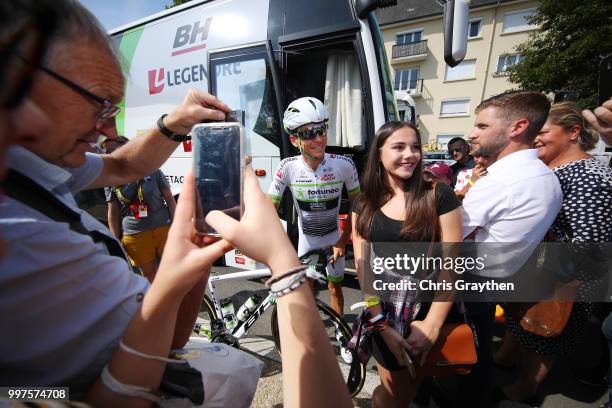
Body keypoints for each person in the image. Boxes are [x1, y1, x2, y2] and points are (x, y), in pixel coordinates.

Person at [0, 2, 355, 407]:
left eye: (114, 109)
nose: (107, 130)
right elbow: (160, 350)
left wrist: (173, 124)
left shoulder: (37, 162)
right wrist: (280, 260)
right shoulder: (27, 236)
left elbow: (121, 165)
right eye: (99, 103)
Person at [494, 101, 612, 402]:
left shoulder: (587, 176)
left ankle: (526, 388)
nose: (534, 138)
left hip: (564, 278)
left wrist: (549, 273)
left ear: (573, 132)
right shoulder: (553, 169)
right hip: (539, 268)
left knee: (542, 333)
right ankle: (508, 361)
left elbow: (590, 241)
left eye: (543, 131)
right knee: (524, 326)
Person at [459, 91, 563, 407]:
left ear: (517, 127)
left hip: (469, 281)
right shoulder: (547, 176)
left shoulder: (500, 182)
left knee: (462, 357)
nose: (471, 134)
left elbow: (446, 234)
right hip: (498, 279)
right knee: (478, 351)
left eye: (481, 125)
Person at [351, 121, 462, 407]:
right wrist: (381, 324)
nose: (410, 154)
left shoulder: (438, 195)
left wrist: (433, 325)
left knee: (413, 388)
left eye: (415, 147)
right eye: (399, 147)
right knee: (396, 395)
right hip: (384, 313)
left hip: (430, 309)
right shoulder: (363, 204)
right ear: (378, 154)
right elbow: (366, 272)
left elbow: (453, 263)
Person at [268, 96, 361, 316]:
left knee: (335, 288)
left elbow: (359, 207)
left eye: (322, 130)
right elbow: (269, 208)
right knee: (307, 291)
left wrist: (342, 241)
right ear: (294, 140)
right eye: (309, 133)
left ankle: (340, 329)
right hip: (306, 243)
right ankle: (311, 331)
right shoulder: (287, 167)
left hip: (334, 239)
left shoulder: (344, 164)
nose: (319, 138)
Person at [104, 136, 177, 282]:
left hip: (164, 228)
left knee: (172, 270)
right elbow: (113, 212)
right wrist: (115, 239)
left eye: (116, 149)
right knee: (149, 276)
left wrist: (177, 226)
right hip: (135, 235)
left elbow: (169, 199)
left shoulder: (152, 169)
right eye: (109, 151)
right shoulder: (111, 178)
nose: (112, 154)